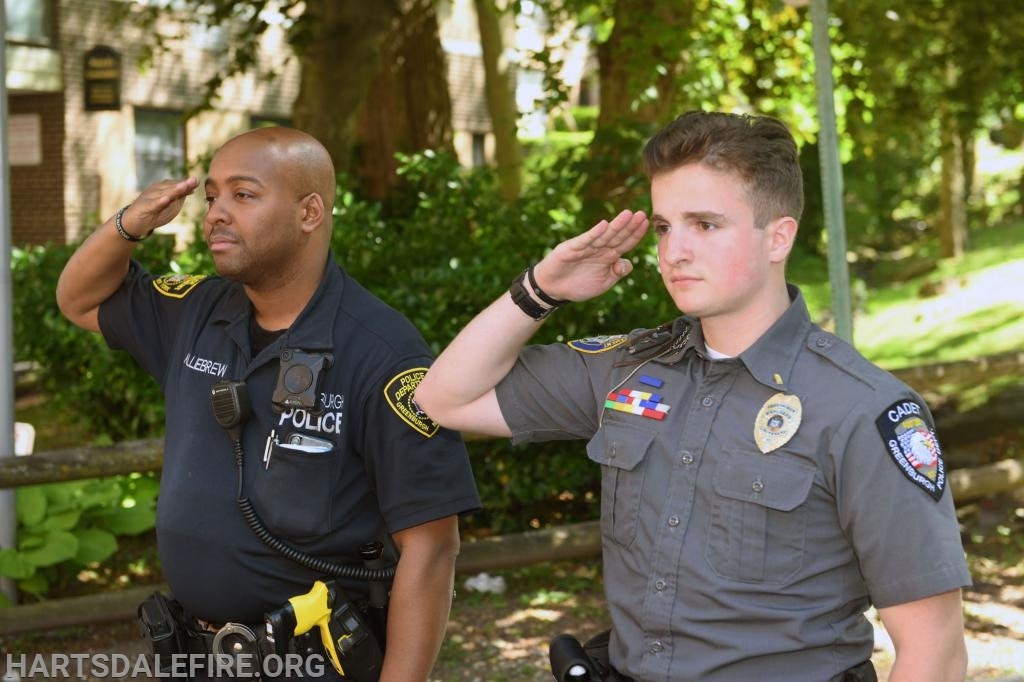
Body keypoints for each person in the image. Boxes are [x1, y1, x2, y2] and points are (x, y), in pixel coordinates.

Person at [414, 111, 971, 682]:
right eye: (663, 227)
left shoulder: (863, 410)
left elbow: (936, 654)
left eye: (704, 225)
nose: (674, 251)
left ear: (778, 236)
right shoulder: (628, 371)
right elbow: (442, 399)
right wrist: (541, 290)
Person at [56, 127, 480, 681]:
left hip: (313, 660)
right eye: (211, 197)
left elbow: (431, 548)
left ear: (310, 212)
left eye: (243, 194)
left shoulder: (383, 353)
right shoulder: (197, 311)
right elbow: (80, 299)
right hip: (194, 655)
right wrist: (131, 222)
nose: (215, 214)